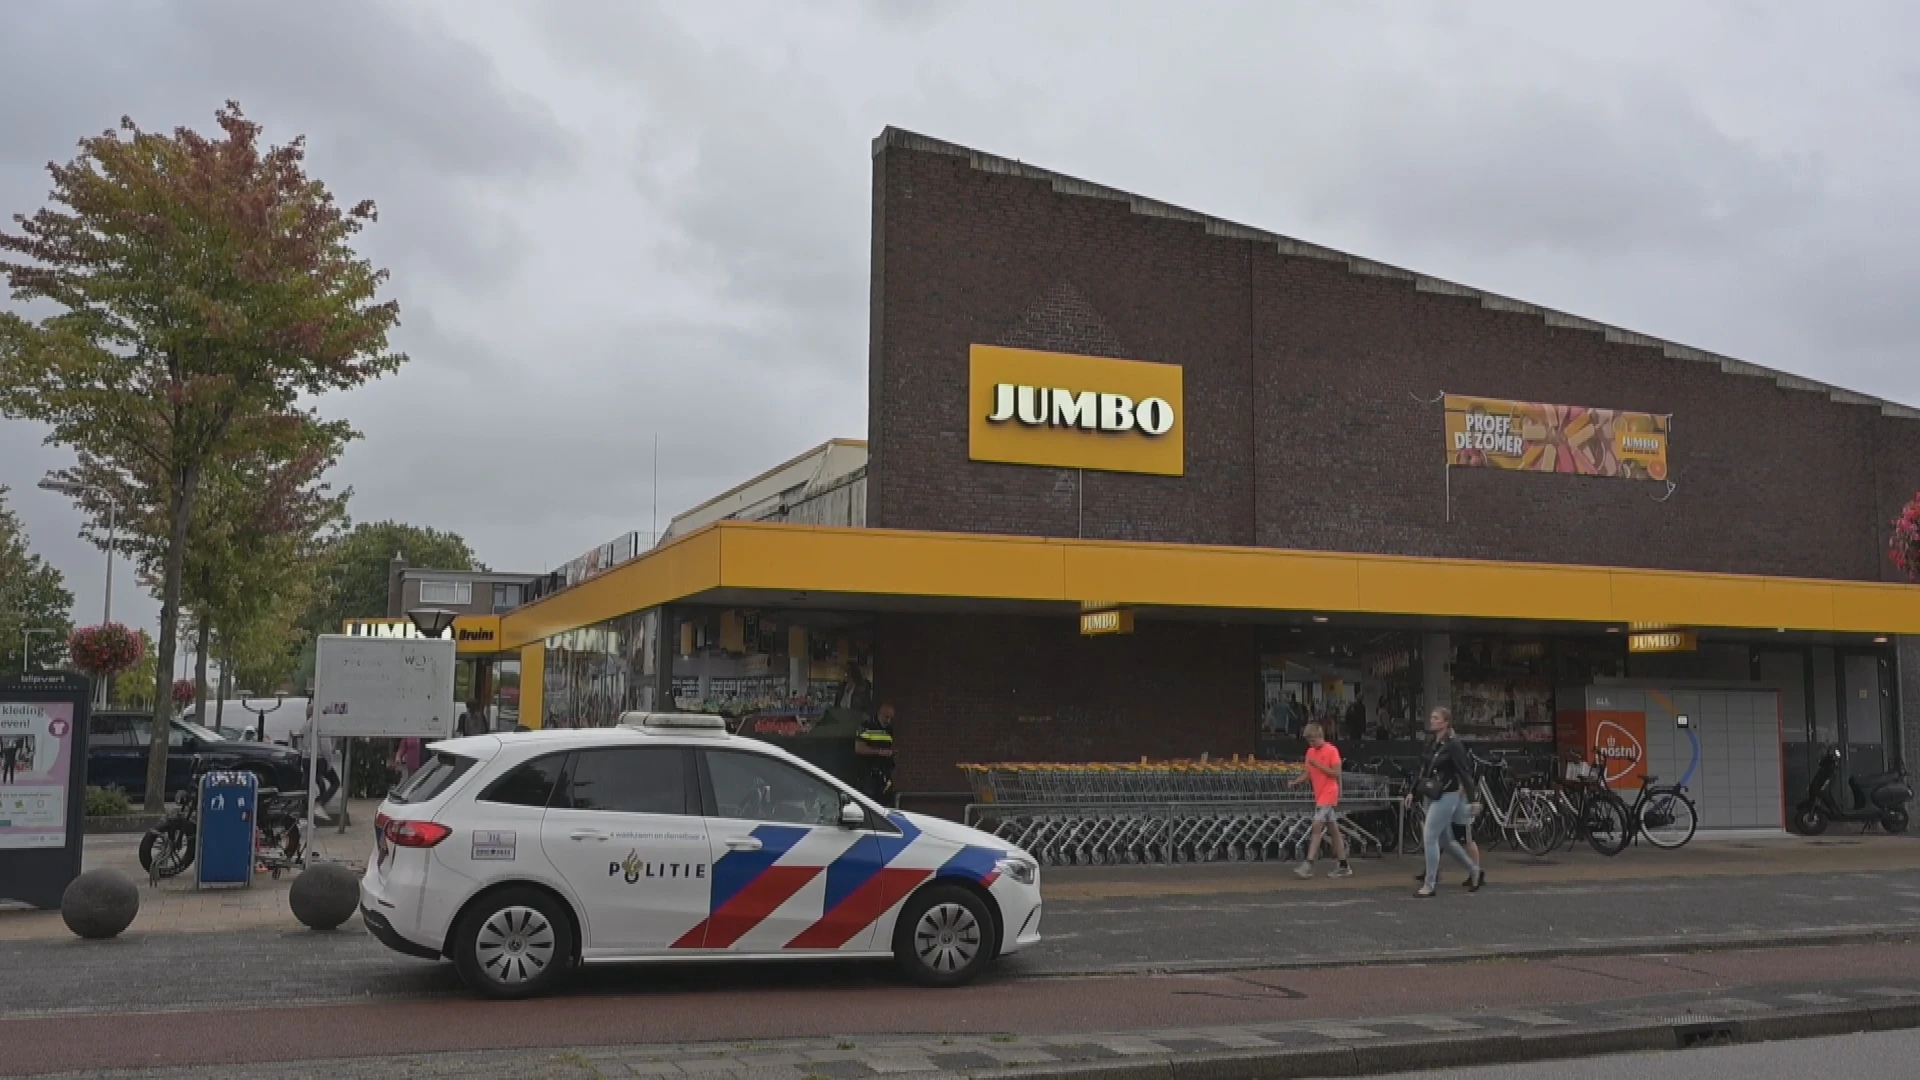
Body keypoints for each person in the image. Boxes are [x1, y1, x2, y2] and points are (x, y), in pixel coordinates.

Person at [1404, 706, 1484, 898]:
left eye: (1436, 718)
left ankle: (1429, 884)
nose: (1432, 720)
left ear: (1446, 722)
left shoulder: (1454, 744)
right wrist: (1412, 791)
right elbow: (1422, 768)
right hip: (1432, 793)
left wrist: (1472, 799)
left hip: (1448, 794)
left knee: (1430, 835)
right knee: (1446, 840)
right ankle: (1474, 870)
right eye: (1432, 717)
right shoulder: (1433, 742)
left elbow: (1465, 773)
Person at [1294, 723, 1351, 878]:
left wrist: (1318, 765)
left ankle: (1309, 862)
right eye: (1309, 741)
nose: (1311, 744)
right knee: (1333, 829)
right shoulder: (1310, 753)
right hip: (1320, 794)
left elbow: (1336, 773)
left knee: (1316, 825)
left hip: (1329, 793)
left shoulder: (1332, 751)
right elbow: (1309, 773)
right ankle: (1343, 864)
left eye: (1313, 740)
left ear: (1320, 736)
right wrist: (1296, 782)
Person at [855, 702, 896, 807]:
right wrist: (880, 752)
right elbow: (859, 748)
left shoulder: (889, 729)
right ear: (880, 713)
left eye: (891, 718)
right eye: (886, 717)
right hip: (869, 773)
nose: (888, 721)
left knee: (886, 802)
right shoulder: (867, 726)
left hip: (884, 774)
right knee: (869, 804)